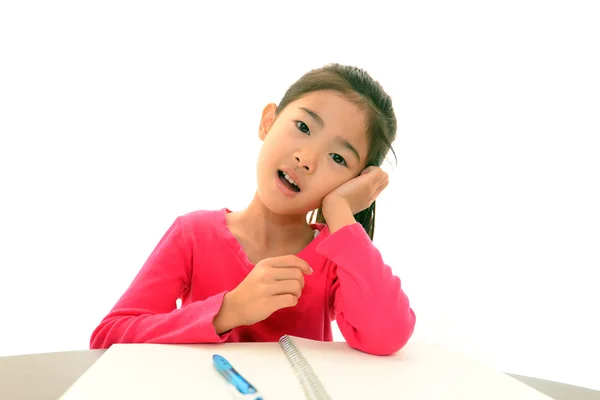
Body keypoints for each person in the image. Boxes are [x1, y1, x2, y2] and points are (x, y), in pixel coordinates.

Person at [89, 63, 416, 356]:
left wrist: (340, 210)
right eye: (303, 127)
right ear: (268, 122)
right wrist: (229, 310)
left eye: (338, 158)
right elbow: (108, 340)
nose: (307, 159)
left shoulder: (334, 258)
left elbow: (388, 335)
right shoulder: (193, 234)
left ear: (354, 181)